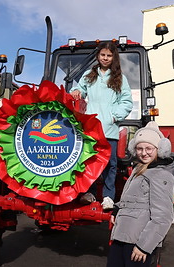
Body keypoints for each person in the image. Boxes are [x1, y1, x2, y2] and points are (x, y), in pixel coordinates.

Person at [70, 41, 133, 210]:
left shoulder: (119, 78)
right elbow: (79, 89)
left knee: (110, 165)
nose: (105, 58)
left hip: (109, 130)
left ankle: (108, 197)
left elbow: (126, 102)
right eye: (103, 55)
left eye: (109, 55)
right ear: (98, 56)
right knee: (88, 162)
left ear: (114, 57)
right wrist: (76, 91)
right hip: (90, 129)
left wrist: (113, 117)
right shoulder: (90, 75)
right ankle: (88, 193)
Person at [107, 121, 174, 267]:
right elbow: (134, 199)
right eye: (139, 148)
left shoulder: (161, 175)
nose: (144, 153)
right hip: (122, 237)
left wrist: (143, 246)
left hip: (137, 244)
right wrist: (118, 208)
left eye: (149, 148)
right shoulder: (139, 169)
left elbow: (163, 217)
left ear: (160, 149)